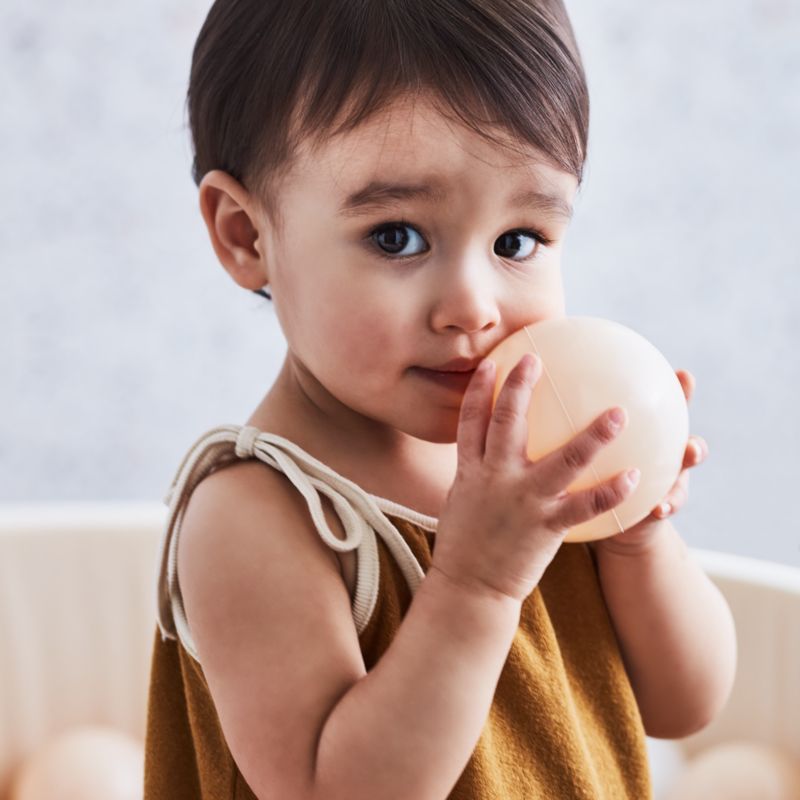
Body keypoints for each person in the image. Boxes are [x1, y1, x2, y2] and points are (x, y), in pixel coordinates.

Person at [144, 1, 737, 798]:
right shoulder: (257, 516)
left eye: (517, 241)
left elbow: (683, 704)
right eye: (397, 236)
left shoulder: (537, 448)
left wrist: (637, 539)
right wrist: (476, 584)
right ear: (248, 236)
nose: (474, 304)